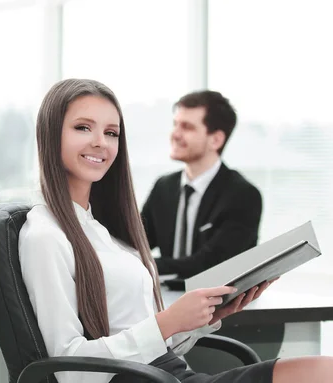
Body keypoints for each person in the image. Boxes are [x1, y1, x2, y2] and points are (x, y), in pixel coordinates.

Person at [18, 78, 333, 383]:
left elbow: (143, 338)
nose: (101, 142)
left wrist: (199, 322)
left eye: (111, 132)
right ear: (50, 133)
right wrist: (168, 321)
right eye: (83, 127)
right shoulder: (47, 235)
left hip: (169, 372)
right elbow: (69, 370)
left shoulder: (99, 229)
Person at [141, 90, 262, 279]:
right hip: (165, 299)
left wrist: (144, 265)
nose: (175, 134)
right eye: (175, 124)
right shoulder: (163, 187)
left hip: (220, 306)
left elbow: (209, 264)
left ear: (216, 140)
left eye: (187, 127)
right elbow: (136, 242)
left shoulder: (243, 195)